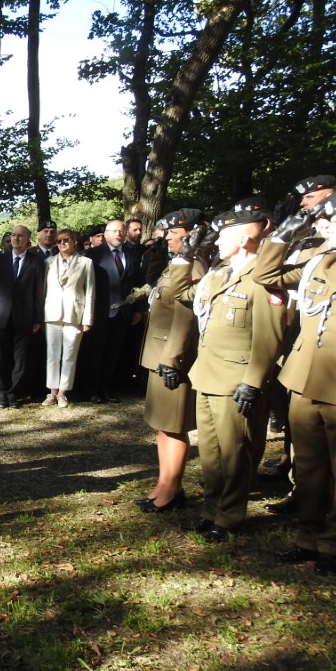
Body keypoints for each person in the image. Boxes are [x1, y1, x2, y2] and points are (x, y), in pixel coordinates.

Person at [251, 190, 336, 574]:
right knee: (309, 465)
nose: (327, 227)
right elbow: (265, 275)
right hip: (304, 375)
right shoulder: (320, 261)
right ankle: (308, 536)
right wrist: (283, 234)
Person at [167, 209, 287, 542]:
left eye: (222, 236)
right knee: (210, 451)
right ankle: (211, 510)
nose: (216, 241)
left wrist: (254, 379)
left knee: (235, 452)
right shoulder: (218, 275)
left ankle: (230, 515)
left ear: (243, 238)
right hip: (207, 374)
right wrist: (184, 256)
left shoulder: (262, 278)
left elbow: (269, 334)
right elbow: (180, 295)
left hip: (236, 378)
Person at [135, 210, 207, 513]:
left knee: (174, 425)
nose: (166, 238)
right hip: (159, 354)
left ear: (190, 234)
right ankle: (163, 484)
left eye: (172, 234)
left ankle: (172, 488)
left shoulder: (196, 265)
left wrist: (173, 357)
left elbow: (187, 316)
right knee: (162, 425)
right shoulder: (174, 264)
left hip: (172, 357)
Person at [84, 219, 145, 403]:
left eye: (121, 231)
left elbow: (137, 285)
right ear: (106, 234)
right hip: (100, 313)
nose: (118, 234)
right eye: (114, 231)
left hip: (124, 314)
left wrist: (137, 310)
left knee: (113, 353)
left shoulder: (132, 256)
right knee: (96, 352)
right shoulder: (93, 255)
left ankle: (107, 387)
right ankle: (92, 389)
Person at [0, 225, 44, 408]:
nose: (16, 238)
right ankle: (1, 393)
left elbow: (38, 292)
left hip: (25, 316)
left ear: (28, 239)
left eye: (20, 236)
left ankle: (13, 393)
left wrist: (37, 318)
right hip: (2, 315)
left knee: (20, 359)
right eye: (13, 235)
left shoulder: (36, 261)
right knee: (1, 357)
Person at [41, 229, 94, 407]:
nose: (62, 244)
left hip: (75, 314)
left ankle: (63, 392)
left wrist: (87, 319)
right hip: (52, 313)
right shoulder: (48, 262)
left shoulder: (86, 263)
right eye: (58, 241)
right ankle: (52, 392)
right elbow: (43, 290)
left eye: (66, 240)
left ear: (74, 242)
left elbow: (90, 292)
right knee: (52, 355)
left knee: (70, 354)